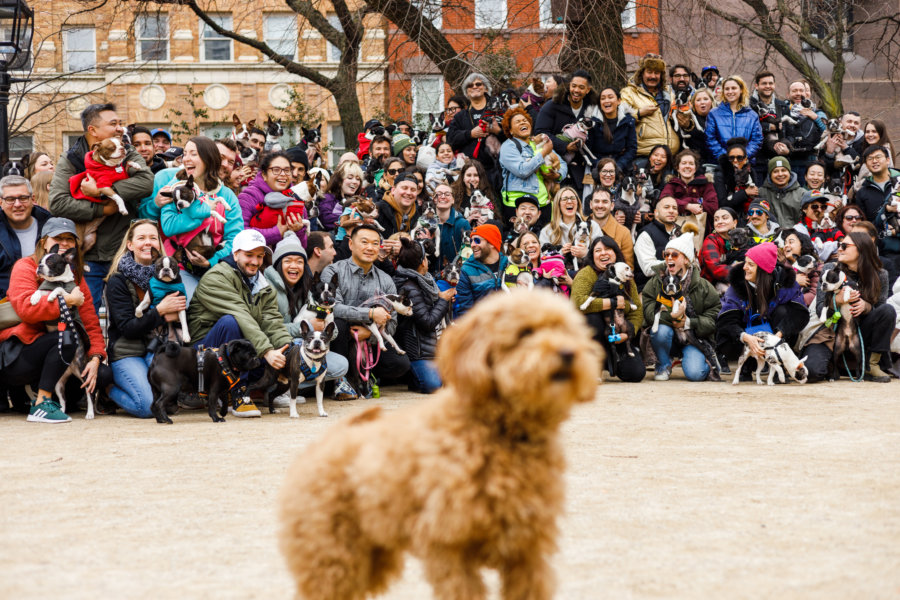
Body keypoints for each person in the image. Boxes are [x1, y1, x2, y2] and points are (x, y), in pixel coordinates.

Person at [0, 218, 112, 423]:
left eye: (70, 239)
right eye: (58, 238)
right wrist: (67, 301)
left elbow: (89, 321)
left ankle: (46, 395)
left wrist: (96, 357)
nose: (65, 244)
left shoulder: (73, 275)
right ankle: (41, 403)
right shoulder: (25, 267)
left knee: (102, 374)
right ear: (44, 242)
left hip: (57, 354)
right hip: (21, 352)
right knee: (66, 337)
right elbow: (27, 310)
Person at [49, 103, 154, 312]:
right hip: (90, 255)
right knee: (88, 314)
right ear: (93, 130)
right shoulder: (72, 159)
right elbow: (57, 202)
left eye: (120, 123)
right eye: (113, 124)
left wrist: (102, 190)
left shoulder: (126, 150)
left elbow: (146, 182)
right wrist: (101, 210)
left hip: (124, 252)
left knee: (130, 314)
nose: (119, 128)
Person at [187, 228, 293, 418]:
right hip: (202, 358)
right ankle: (237, 392)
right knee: (231, 322)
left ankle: (257, 388)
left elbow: (272, 322)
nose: (255, 261)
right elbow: (241, 314)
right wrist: (267, 351)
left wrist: (290, 351)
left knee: (290, 354)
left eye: (260, 256)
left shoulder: (263, 285)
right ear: (235, 254)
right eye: (249, 255)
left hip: (239, 352)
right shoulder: (215, 277)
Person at [104, 219, 186, 418]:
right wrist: (160, 311)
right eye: (141, 238)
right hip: (126, 352)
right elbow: (128, 328)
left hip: (157, 348)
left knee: (169, 399)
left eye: (153, 238)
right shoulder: (118, 280)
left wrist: (173, 314)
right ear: (130, 245)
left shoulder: (173, 276)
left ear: (160, 245)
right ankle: (107, 391)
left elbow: (180, 314)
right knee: (148, 406)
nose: (147, 242)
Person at [320, 224, 412, 397]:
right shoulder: (334, 271)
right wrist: (369, 314)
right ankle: (340, 381)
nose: (370, 248)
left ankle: (366, 375)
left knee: (400, 364)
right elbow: (333, 307)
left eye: (375, 243)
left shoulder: (385, 280)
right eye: (364, 242)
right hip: (340, 337)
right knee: (336, 322)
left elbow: (391, 323)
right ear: (351, 245)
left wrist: (368, 334)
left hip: (369, 340)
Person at [262, 231, 351, 401]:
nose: (294, 266)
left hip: (302, 349)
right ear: (279, 264)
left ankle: (292, 384)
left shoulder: (308, 291)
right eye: (288, 261)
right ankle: (278, 388)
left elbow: (331, 333)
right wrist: (308, 326)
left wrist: (326, 328)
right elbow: (267, 329)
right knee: (296, 345)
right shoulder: (267, 288)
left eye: (299, 261)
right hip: (275, 351)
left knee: (340, 365)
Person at [153, 137, 243, 299]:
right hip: (180, 267)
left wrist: (212, 260)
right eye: (185, 153)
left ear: (208, 159)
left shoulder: (226, 195)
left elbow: (235, 238)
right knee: (192, 304)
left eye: (193, 154)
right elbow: (169, 225)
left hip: (216, 267)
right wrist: (204, 212)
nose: (186, 158)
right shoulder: (175, 188)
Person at [803, 232, 895, 382]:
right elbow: (820, 309)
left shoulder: (880, 275)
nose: (839, 249)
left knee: (888, 311)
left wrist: (866, 306)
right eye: (839, 245)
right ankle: (835, 365)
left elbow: (881, 314)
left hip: (859, 333)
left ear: (862, 249)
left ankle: (872, 364)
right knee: (812, 372)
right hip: (829, 332)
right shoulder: (829, 268)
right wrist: (836, 300)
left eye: (844, 246)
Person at [716, 242, 809, 372]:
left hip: (774, 333)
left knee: (783, 312)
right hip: (746, 333)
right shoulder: (737, 285)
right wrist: (745, 337)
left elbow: (800, 314)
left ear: (763, 269)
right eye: (745, 263)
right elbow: (726, 320)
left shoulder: (786, 281)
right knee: (725, 336)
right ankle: (747, 365)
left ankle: (779, 363)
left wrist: (779, 335)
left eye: (750, 264)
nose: (744, 267)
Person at [642, 230, 722, 381]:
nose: (669, 258)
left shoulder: (703, 286)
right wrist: (672, 317)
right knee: (660, 330)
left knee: (696, 374)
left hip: (692, 337)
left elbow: (713, 319)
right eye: (666, 255)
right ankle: (663, 364)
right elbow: (648, 312)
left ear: (686, 260)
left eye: (675, 255)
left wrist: (688, 322)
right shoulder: (656, 281)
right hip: (667, 337)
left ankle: (707, 360)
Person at [571, 236, 645, 382]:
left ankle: (611, 359)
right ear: (592, 256)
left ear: (616, 253)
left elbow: (637, 311)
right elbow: (577, 303)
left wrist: (628, 333)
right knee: (592, 318)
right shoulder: (586, 274)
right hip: (593, 336)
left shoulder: (625, 274)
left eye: (608, 249)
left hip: (617, 333)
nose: (603, 253)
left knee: (635, 373)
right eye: (598, 250)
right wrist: (612, 303)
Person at [391, 237, 455, 393]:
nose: (428, 260)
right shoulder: (409, 286)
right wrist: (443, 301)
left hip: (435, 347)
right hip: (418, 351)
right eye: (426, 257)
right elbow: (426, 322)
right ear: (422, 262)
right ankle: (413, 377)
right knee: (434, 386)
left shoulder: (426, 280)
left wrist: (443, 301)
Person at [534, 69, 599, 196]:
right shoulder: (552, 105)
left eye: (581, 87)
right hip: (555, 166)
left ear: (588, 90)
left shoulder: (593, 107)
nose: (576, 90)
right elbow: (540, 132)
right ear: (569, 85)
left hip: (582, 169)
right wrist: (564, 146)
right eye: (573, 86)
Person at [499, 106, 565, 223]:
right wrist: (544, 152)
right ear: (510, 131)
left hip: (542, 203)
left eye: (525, 120)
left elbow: (563, 163)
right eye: (517, 122)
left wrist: (557, 175)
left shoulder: (538, 142)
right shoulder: (508, 146)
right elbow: (522, 171)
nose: (523, 122)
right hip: (517, 204)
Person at [239, 151, 308, 247]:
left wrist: (298, 231)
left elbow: (302, 247)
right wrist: (276, 232)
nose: (283, 174)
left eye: (287, 170)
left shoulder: (294, 199)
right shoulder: (248, 196)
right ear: (264, 174)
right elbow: (240, 233)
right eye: (276, 170)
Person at [620, 53, 680, 159]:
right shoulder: (629, 93)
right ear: (642, 73)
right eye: (649, 72)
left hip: (670, 155)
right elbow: (619, 121)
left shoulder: (669, 93)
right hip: (644, 155)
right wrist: (639, 114)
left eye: (657, 73)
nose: (653, 76)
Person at [446, 72, 504, 185]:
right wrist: (470, 134)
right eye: (470, 85)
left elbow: (512, 137)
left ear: (486, 89)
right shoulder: (460, 116)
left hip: (494, 171)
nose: (474, 87)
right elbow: (450, 140)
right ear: (466, 92)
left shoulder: (499, 112)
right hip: (468, 173)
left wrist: (498, 132)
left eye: (478, 84)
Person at [0, 175, 51, 297]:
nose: (17, 204)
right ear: (1, 202)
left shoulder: (49, 226)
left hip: (46, 303)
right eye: (10, 199)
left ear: (32, 199)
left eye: (23, 198)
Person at [704, 76, 763, 162]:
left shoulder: (752, 115)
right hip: (721, 165)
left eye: (734, 88)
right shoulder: (714, 113)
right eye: (727, 89)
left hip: (746, 164)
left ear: (741, 90)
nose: (730, 91)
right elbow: (710, 139)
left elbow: (757, 140)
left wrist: (742, 157)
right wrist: (727, 158)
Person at [455, 223, 509, 316]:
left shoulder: (508, 264)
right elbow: (465, 312)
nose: (472, 245)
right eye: (471, 241)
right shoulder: (466, 270)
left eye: (477, 240)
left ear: (492, 243)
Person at [659, 149, 718, 232]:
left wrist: (691, 201)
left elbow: (713, 207)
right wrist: (688, 205)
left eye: (691, 163)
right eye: (684, 163)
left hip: (701, 231)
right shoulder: (672, 184)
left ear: (695, 168)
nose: (687, 166)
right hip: (674, 229)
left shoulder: (706, 184)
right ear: (677, 168)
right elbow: (664, 201)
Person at [749, 71, 792, 183]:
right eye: (764, 83)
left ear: (774, 85)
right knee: (759, 198)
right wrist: (768, 127)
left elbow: (790, 133)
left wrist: (787, 148)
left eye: (770, 83)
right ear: (756, 86)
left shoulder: (783, 106)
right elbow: (747, 127)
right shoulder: (748, 105)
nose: (768, 86)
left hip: (779, 162)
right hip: (757, 161)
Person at [539, 187, 600, 264]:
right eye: (564, 199)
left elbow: (602, 254)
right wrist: (560, 253)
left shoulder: (592, 225)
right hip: (558, 273)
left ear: (578, 202)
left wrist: (586, 254)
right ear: (558, 204)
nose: (569, 201)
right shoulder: (547, 230)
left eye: (573, 198)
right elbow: (543, 259)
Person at [587, 86, 637, 176]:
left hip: (621, 167)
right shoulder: (592, 123)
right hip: (598, 168)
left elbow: (632, 149)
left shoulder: (628, 121)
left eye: (610, 97)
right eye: (603, 98)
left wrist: (619, 166)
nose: (606, 101)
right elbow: (587, 150)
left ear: (619, 101)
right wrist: (601, 166)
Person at [783, 81, 826, 185]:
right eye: (794, 91)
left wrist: (815, 118)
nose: (798, 93)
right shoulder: (782, 110)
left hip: (809, 161)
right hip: (787, 161)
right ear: (788, 94)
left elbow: (826, 131)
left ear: (806, 93)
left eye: (801, 90)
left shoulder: (817, 113)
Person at [634, 195, 680, 288]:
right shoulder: (646, 234)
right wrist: (678, 262)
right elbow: (648, 269)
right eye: (666, 207)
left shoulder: (682, 233)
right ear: (656, 213)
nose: (671, 210)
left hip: (679, 288)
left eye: (674, 208)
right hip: (650, 289)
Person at [587, 187, 634, 268]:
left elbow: (628, 268)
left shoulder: (623, 233)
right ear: (591, 205)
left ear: (612, 206)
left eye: (605, 202)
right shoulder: (580, 225)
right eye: (596, 201)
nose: (600, 205)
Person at [713, 137, 760, 214]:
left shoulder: (751, 172)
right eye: (732, 158)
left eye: (739, 158)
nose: (735, 161)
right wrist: (745, 193)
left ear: (745, 159)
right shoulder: (720, 174)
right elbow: (722, 203)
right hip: (728, 215)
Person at [699, 207, 741, 290]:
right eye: (716, 219)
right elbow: (715, 269)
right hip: (711, 287)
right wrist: (740, 270)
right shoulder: (710, 240)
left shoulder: (741, 238)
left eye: (724, 218)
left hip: (736, 280)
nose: (720, 222)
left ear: (735, 222)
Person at [758, 156, 805, 228]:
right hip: (769, 236)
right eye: (775, 171)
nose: (780, 174)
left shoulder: (802, 193)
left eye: (783, 170)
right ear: (770, 175)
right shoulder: (761, 193)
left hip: (795, 235)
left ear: (789, 172)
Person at [855, 145, 897, 223]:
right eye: (870, 159)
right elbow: (864, 223)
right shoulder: (862, 192)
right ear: (866, 165)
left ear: (888, 160)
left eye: (878, 157)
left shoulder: (898, 182)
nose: (874, 161)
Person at [779, 228, 820, 306]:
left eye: (791, 242)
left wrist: (793, 302)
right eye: (785, 243)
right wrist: (795, 282)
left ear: (803, 244)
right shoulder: (781, 267)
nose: (786, 246)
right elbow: (778, 294)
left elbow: (813, 294)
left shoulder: (817, 267)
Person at [433, 182, 470, 266]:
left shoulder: (462, 224)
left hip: (455, 276)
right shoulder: (425, 224)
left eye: (447, 194)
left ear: (453, 200)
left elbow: (468, 256)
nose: (443, 197)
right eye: (438, 194)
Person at [675, 88, 715, 165]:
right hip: (695, 162)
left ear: (711, 101)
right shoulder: (687, 118)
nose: (702, 102)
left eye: (706, 99)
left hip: (714, 160)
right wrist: (688, 126)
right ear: (693, 104)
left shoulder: (718, 118)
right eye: (698, 100)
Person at [376, 172, 419, 238]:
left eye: (413, 190)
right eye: (404, 188)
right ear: (393, 190)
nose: (408, 192)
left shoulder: (419, 215)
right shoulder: (377, 210)